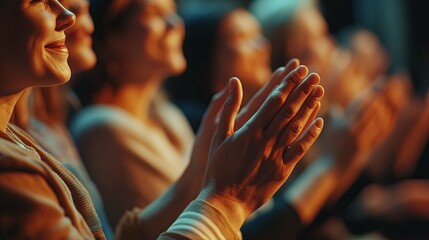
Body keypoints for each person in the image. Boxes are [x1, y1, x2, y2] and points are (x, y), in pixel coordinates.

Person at [0, 0, 324, 238]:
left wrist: (196, 178)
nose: (69, 16)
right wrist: (227, 198)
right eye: (39, 1)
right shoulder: (94, 130)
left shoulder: (17, 137)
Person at [69, 0, 195, 226]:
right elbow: (189, 219)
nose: (175, 24)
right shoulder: (102, 127)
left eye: (173, 13)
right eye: (152, 14)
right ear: (111, 38)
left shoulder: (166, 114)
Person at [10, 0, 114, 238]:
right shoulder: (11, 162)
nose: (71, 19)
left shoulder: (35, 133)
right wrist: (212, 199)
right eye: (41, 1)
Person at [167, 6, 272, 131]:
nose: (263, 46)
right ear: (206, 56)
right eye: (242, 37)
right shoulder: (190, 127)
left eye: (258, 34)